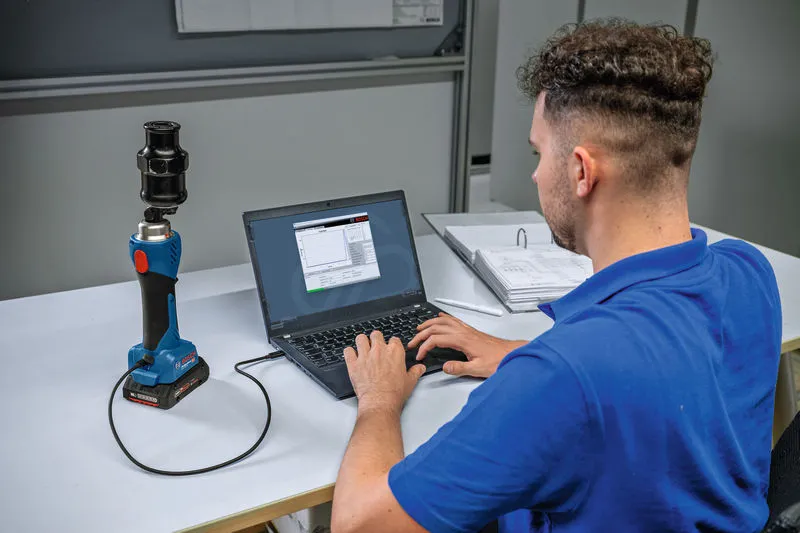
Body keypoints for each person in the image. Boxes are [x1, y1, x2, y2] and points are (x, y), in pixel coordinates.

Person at [330, 19, 782, 533]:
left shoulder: (563, 376)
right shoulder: (750, 273)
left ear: (581, 172)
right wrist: (518, 355)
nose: (535, 175)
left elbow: (360, 525)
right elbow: (661, 370)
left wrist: (379, 401)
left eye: (539, 153)